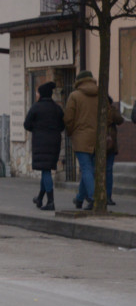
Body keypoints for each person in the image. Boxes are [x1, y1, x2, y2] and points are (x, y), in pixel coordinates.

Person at [23, 81, 65, 211]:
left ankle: (51, 201)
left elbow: (27, 124)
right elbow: (62, 125)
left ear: (41, 94)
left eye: (37, 93)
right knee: (45, 170)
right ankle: (40, 198)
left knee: (45, 171)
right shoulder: (57, 108)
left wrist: (37, 129)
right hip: (55, 142)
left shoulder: (36, 107)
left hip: (41, 143)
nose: (36, 95)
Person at [64, 70, 100, 210]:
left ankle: (92, 198)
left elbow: (68, 118)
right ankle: (79, 198)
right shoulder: (100, 94)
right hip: (97, 138)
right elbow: (108, 115)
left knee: (85, 169)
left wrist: (70, 131)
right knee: (89, 169)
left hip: (80, 137)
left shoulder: (75, 96)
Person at [105, 96, 125, 206]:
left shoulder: (96, 109)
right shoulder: (112, 110)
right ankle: (108, 196)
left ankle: (91, 195)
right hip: (110, 143)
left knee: (93, 169)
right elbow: (120, 120)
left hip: (100, 143)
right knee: (108, 171)